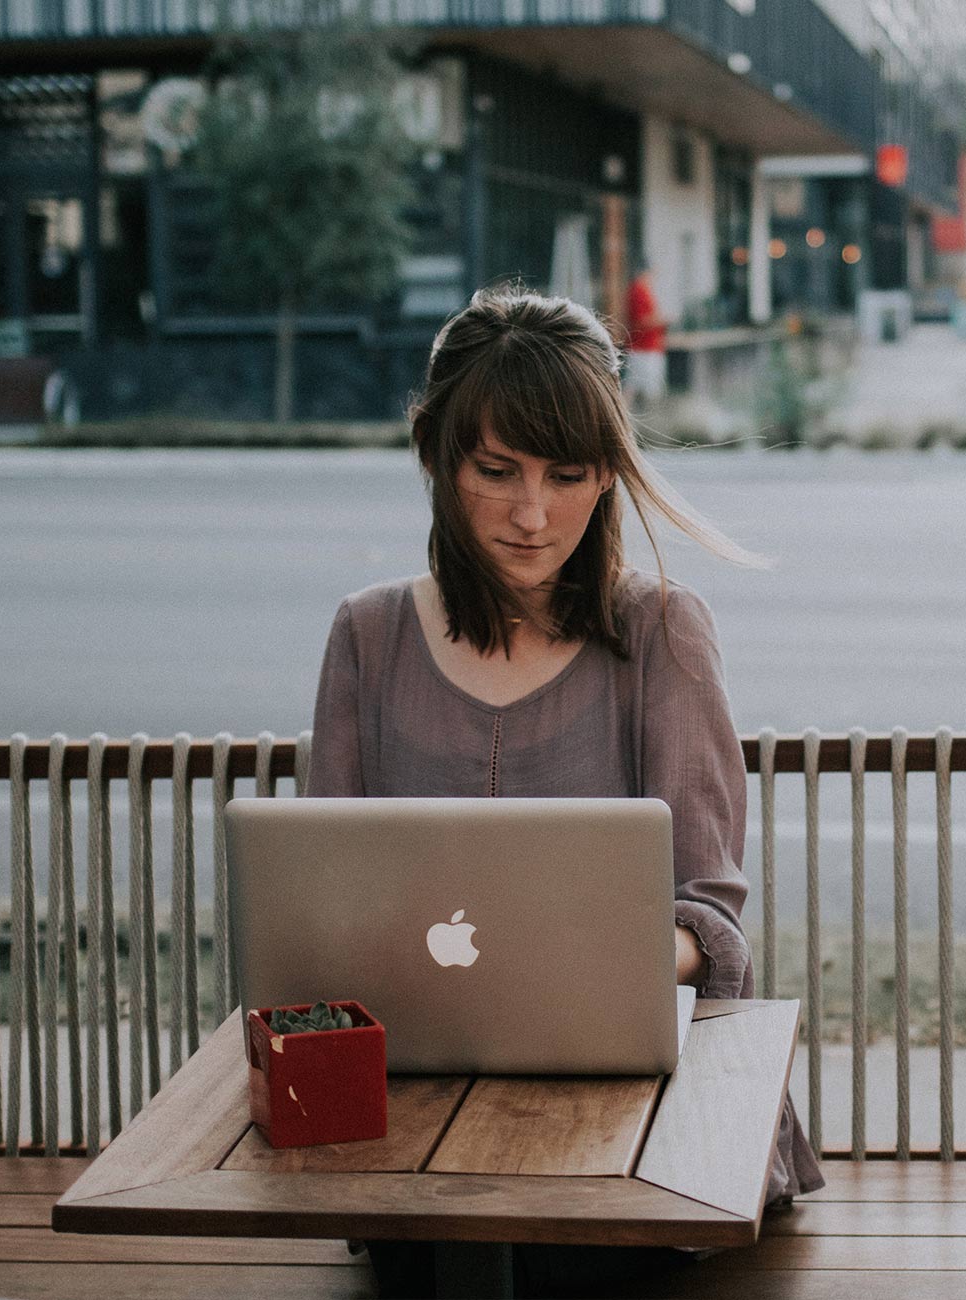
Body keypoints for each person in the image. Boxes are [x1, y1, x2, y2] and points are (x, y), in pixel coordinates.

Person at [306, 286, 821, 1297]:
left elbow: (711, 923)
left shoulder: (660, 632)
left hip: (636, 1117)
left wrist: (581, 958)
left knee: (553, 1260)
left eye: (567, 474)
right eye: (494, 471)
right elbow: (321, 903)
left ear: (608, 476)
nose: (532, 515)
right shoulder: (368, 636)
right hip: (416, 1113)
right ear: (435, 456)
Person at [622, 268, 669, 405]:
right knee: (640, 386)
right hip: (643, 348)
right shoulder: (638, 291)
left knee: (635, 385)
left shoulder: (642, 290)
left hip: (647, 347)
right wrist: (662, 321)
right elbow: (641, 321)